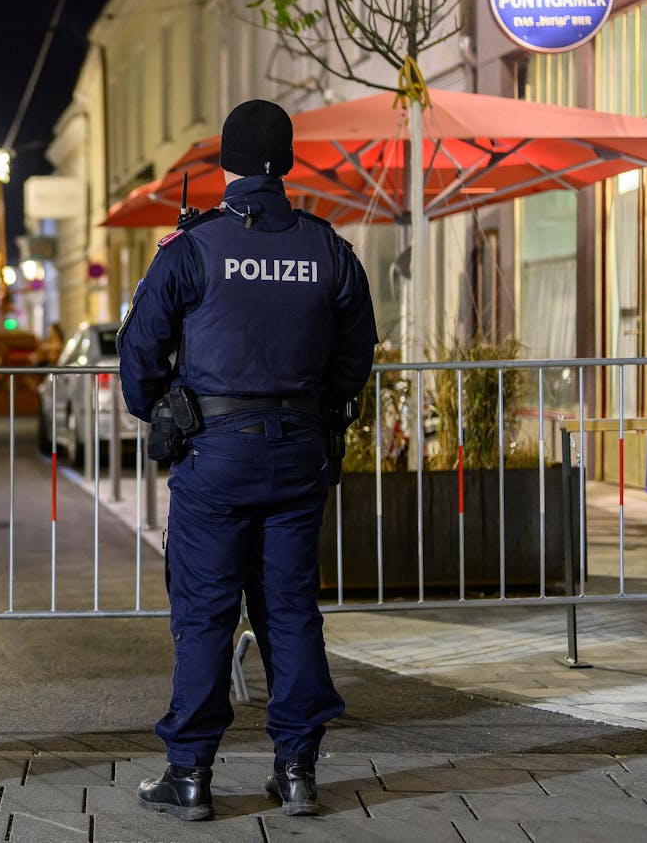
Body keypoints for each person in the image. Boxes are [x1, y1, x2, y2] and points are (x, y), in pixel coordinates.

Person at [117, 99, 377, 821]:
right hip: (298, 456)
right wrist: (323, 403)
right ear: (286, 164)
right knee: (290, 610)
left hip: (215, 455)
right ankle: (296, 771)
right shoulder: (328, 248)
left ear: (226, 163)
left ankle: (190, 775)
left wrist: (163, 407)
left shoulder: (194, 247)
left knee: (204, 612)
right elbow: (359, 348)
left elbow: (137, 352)